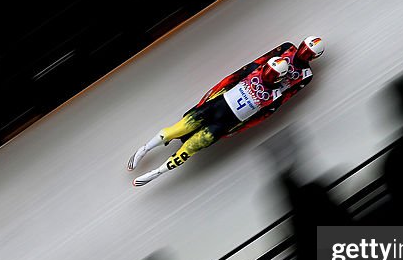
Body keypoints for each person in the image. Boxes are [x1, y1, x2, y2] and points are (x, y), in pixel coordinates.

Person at [128, 36, 325, 186]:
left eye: (308, 54)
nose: (303, 54)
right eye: (304, 49)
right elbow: (238, 74)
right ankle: (144, 149)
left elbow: (266, 113)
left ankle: (157, 172)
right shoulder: (271, 60)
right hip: (219, 103)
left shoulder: (279, 92)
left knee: (190, 148)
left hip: (228, 121)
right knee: (177, 129)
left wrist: (240, 128)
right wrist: (211, 95)